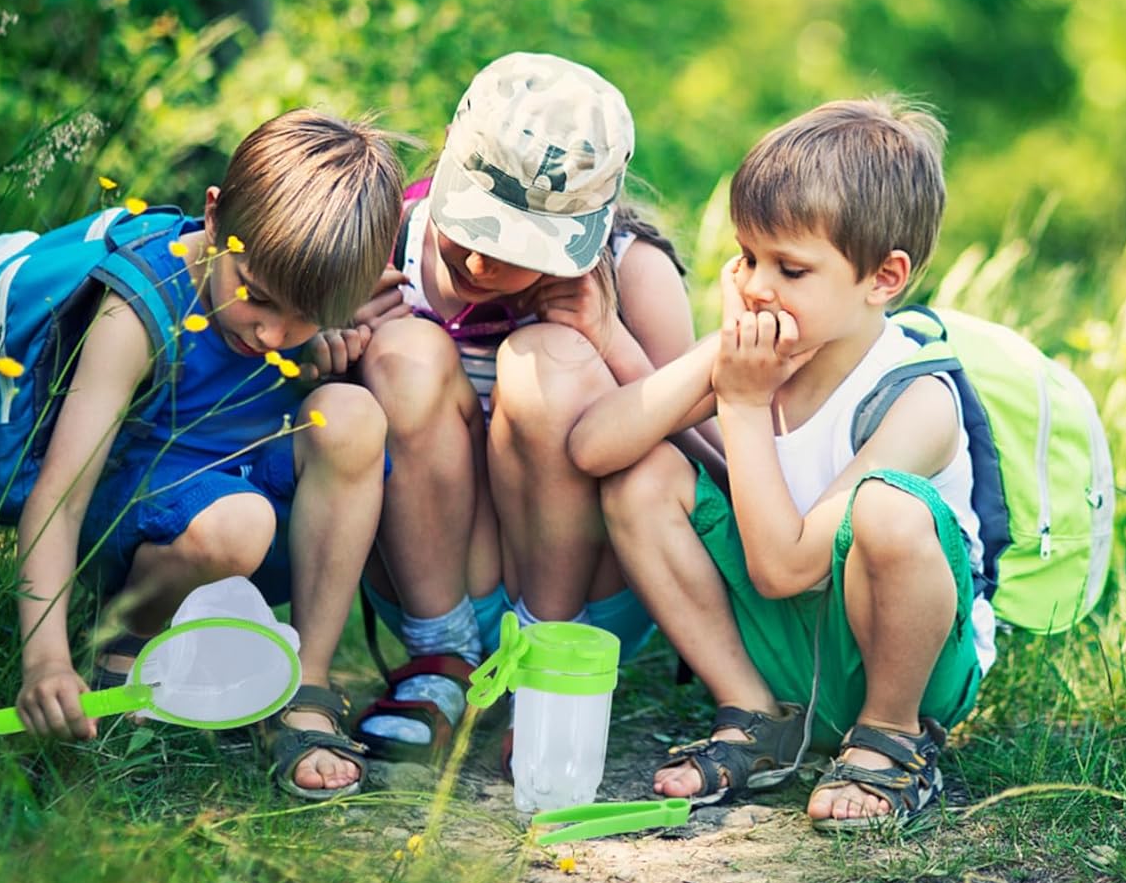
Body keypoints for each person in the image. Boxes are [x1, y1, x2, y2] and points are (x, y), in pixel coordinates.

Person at [570, 96, 992, 831]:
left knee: (887, 508)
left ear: (883, 278)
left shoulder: (916, 397)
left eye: (791, 268)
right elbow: (592, 448)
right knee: (638, 478)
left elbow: (785, 569)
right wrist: (719, 364)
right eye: (747, 257)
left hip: (903, 662)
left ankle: (889, 740)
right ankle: (756, 715)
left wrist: (741, 404)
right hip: (783, 648)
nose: (756, 286)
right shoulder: (757, 352)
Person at [0, 109, 403, 800]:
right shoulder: (139, 310)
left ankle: (305, 687)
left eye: (305, 316)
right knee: (240, 522)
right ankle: (122, 642)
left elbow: (296, 354)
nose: (272, 333)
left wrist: (321, 352)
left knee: (353, 414)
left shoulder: (290, 301)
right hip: (140, 527)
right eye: (258, 296)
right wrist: (44, 661)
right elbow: (60, 501)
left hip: (247, 509)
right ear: (214, 218)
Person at [347, 52, 724, 764]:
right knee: (403, 350)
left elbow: (709, 461)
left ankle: (550, 661)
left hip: (586, 584)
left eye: (516, 247)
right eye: (474, 228)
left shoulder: (634, 269)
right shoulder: (387, 243)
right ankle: (439, 659)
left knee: (545, 360)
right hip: (433, 573)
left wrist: (609, 341)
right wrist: (339, 344)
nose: (480, 265)